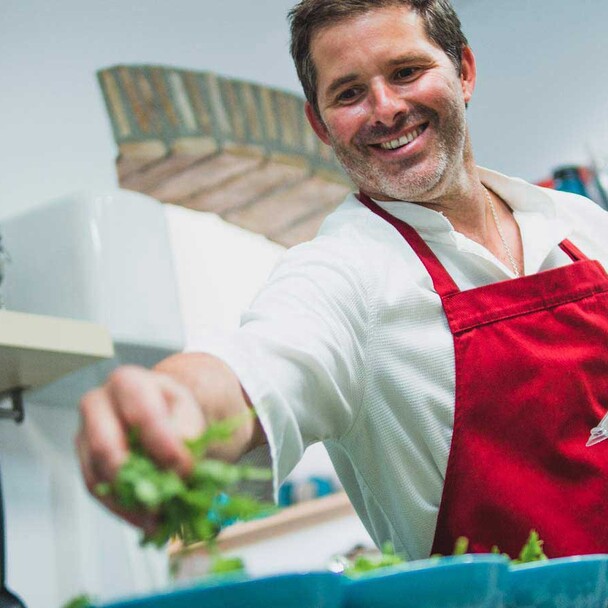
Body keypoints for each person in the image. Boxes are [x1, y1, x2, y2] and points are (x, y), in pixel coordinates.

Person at [76, 0, 608, 560]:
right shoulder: (343, 276)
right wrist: (179, 401)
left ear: (465, 71)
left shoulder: (582, 224)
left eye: (406, 72)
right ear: (320, 124)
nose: (385, 108)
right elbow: (262, 362)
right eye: (349, 93)